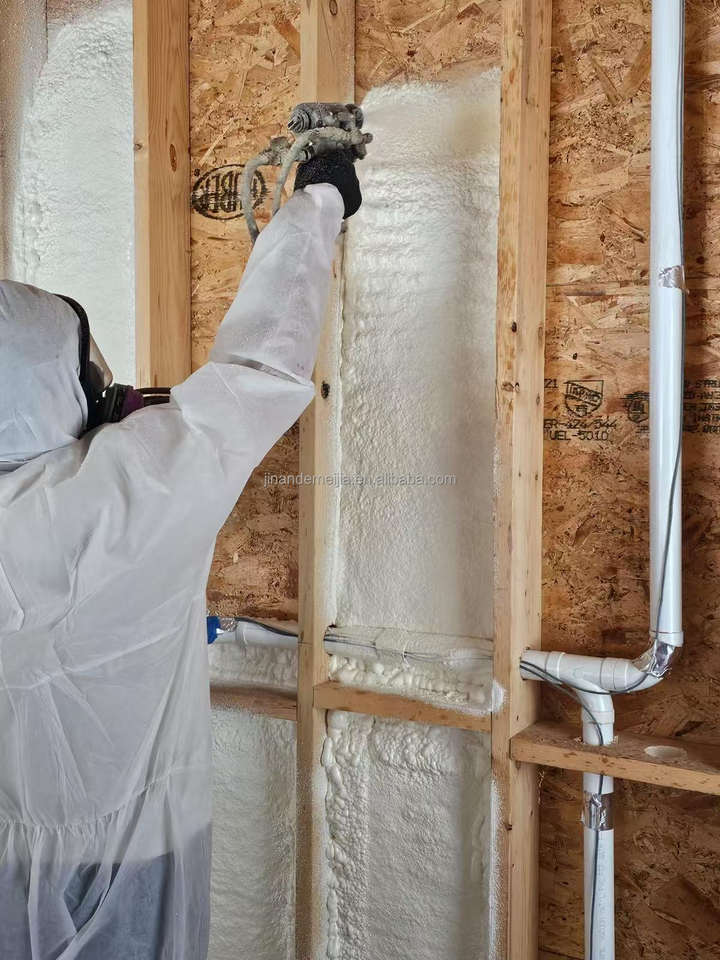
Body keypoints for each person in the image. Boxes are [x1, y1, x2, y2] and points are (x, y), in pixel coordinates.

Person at [0, 153, 361, 959]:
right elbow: (257, 372)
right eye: (83, 369)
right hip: (136, 851)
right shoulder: (130, 488)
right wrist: (319, 203)